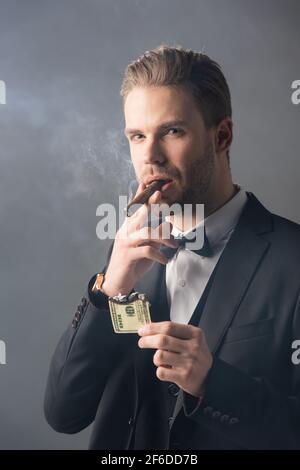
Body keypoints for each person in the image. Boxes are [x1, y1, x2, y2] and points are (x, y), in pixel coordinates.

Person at [44, 44, 300, 450]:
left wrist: (212, 383)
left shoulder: (292, 259)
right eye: (138, 136)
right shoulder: (126, 256)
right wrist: (108, 291)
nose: (150, 156)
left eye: (172, 131)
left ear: (222, 136)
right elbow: (64, 413)